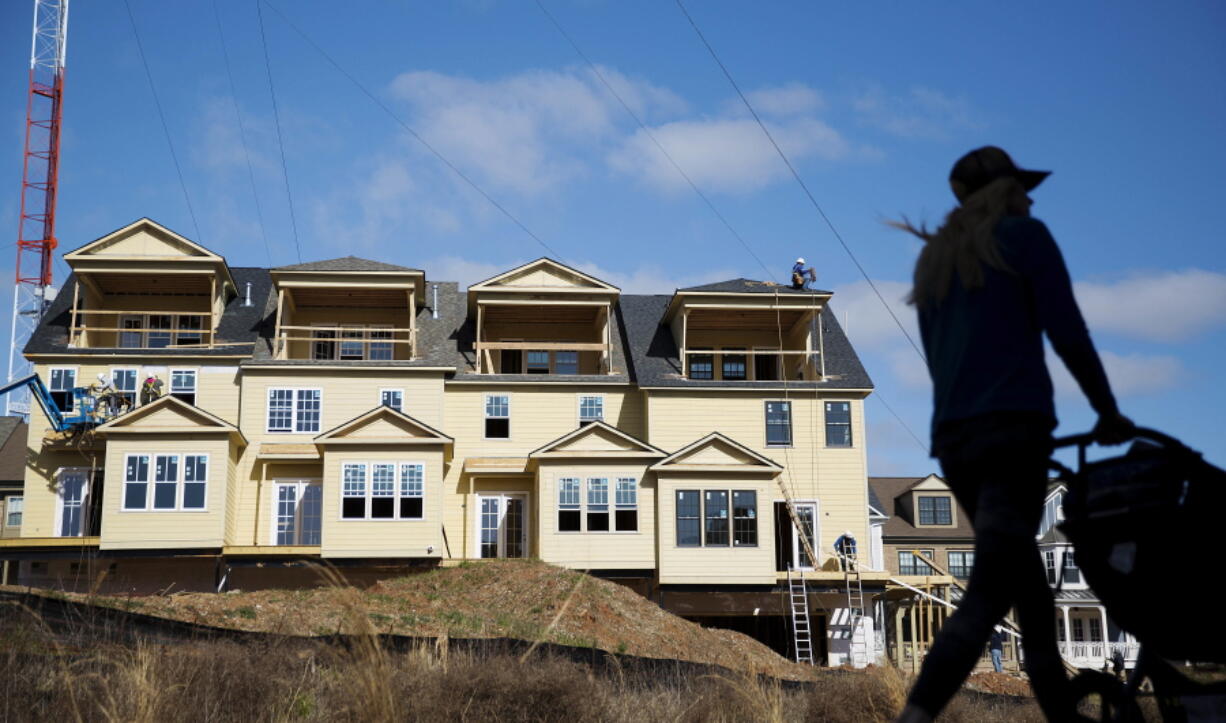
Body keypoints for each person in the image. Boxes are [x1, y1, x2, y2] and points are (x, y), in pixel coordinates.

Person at [890, 146, 1134, 723]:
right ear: (1005, 192)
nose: (1030, 197)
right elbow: (1068, 329)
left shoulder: (936, 263)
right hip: (1013, 435)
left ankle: (1059, 710)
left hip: (955, 440)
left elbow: (939, 362)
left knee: (1028, 585)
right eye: (1022, 188)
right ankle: (916, 715)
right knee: (991, 589)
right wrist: (1108, 411)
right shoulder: (1025, 236)